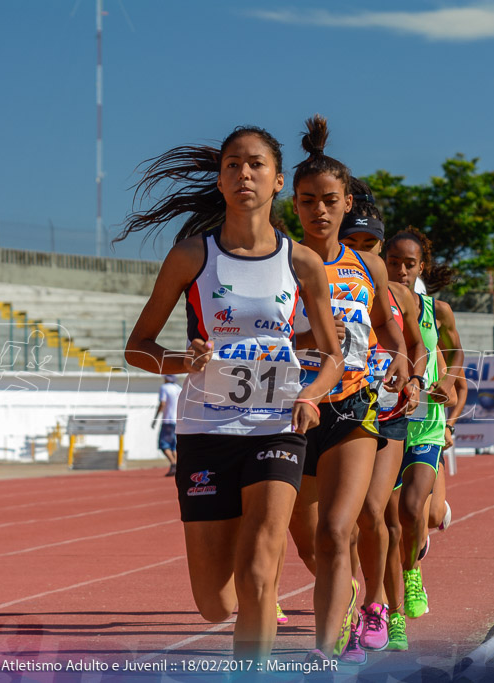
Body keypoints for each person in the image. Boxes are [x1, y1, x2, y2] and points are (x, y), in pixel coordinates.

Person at [121, 125, 344, 661]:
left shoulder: (301, 263)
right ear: (220, 181)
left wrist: (311, 395)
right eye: (233, 165)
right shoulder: (192, 256)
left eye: (256, 164)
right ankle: (247, 610)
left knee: (257, 575)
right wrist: (182, 360)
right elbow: (138, 348)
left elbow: (333, 357)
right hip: (206, 429)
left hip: (278, 427)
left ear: (278, 181)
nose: (244, 173)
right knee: (215, 602)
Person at [285, 115, 408, 665]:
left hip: (353, 404)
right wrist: (315, 335)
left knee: (343, 527)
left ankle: (337, 639)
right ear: (294, 205)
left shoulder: (368, 265)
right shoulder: (278, 265)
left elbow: (387, 328)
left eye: (329, 200)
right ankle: (350, 594)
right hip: (287, 410)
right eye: (308, 201)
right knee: (307, 537)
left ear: (347, 203)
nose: (319, 210)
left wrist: (402, 359)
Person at [338, 181, 427, 653]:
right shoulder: (326, 280)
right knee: (342, 524)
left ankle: (382, 610)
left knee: (375, 511)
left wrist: (413, 380)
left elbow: (415, 344)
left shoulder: (399, 296)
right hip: (345, 407)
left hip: (388, 411)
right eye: (351, 245)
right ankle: (350, 604)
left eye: (369, 246)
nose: (361, 254)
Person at [382, 227, 463, 647]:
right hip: (385, 422)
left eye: (408, 263)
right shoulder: (374, 303)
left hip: (427, 422)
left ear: (421, 267)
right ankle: (388, 612)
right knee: (388, 524)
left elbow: (456, 353)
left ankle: (412, 575)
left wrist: (447, 381)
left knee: (414, 510)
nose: (399, 269)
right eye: (393, 260)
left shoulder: (438, 310)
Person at [152, 375, 181, 476]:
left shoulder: (164, 388)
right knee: (174, 446)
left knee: (163, 444)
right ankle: (176, 465)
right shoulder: (178, 388)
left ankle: (173, 464)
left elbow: (162, 403)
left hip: (168, 420)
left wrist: (155, 418)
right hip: (177, 420)